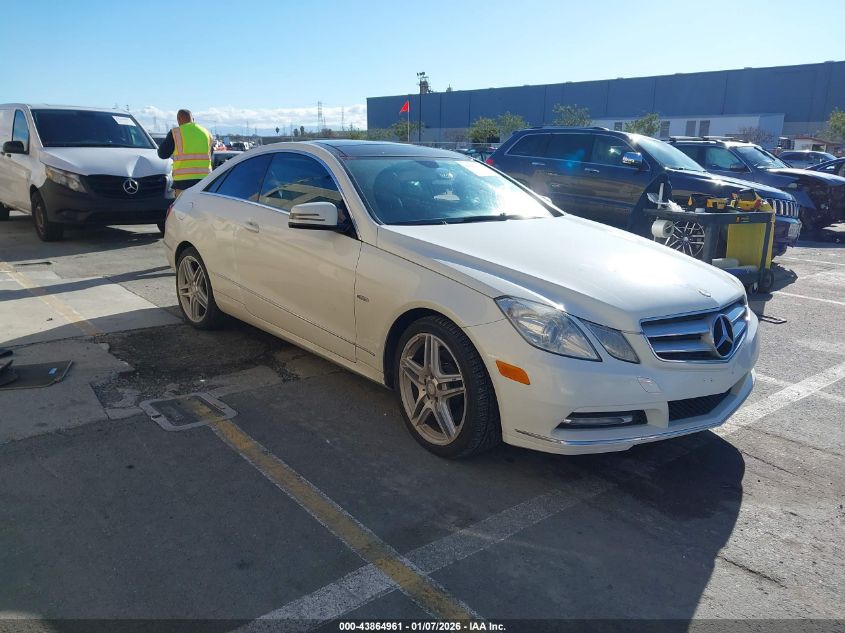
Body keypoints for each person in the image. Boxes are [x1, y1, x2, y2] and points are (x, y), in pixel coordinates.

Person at [157, 109, 213, 197]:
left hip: (183, 182)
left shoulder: (175, 133)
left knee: (183, 209)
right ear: (193, 119)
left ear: (178, 120)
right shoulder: (207, 133)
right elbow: (210, 155)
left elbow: (162, 154)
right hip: (205, 181)